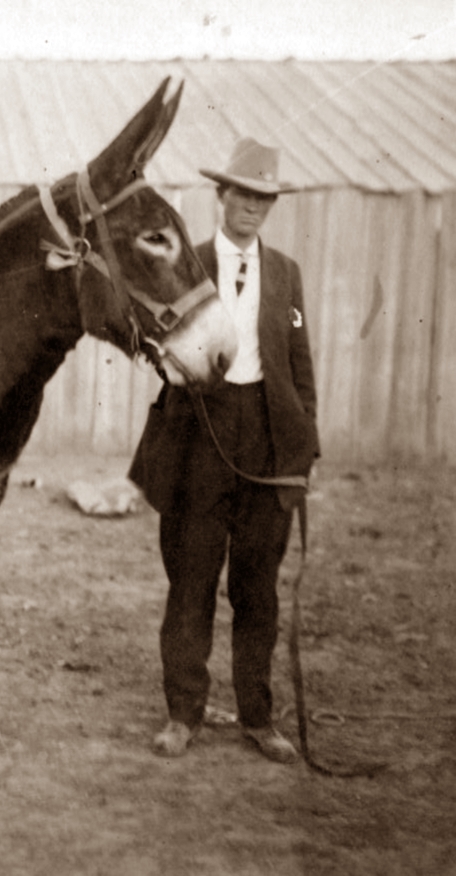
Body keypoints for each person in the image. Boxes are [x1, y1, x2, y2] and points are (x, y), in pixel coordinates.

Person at [128, 137, 320, 764]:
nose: (253, 208)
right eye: (244, 195)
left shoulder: (286, 273)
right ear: (222, 195)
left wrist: (299, 457)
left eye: (264, 198)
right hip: (200, 435)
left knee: (257, 587)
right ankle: (183, 713)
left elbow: (299, 367)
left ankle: (258, 718)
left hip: (267, 440)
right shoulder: (192, 262)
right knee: (191, 580)